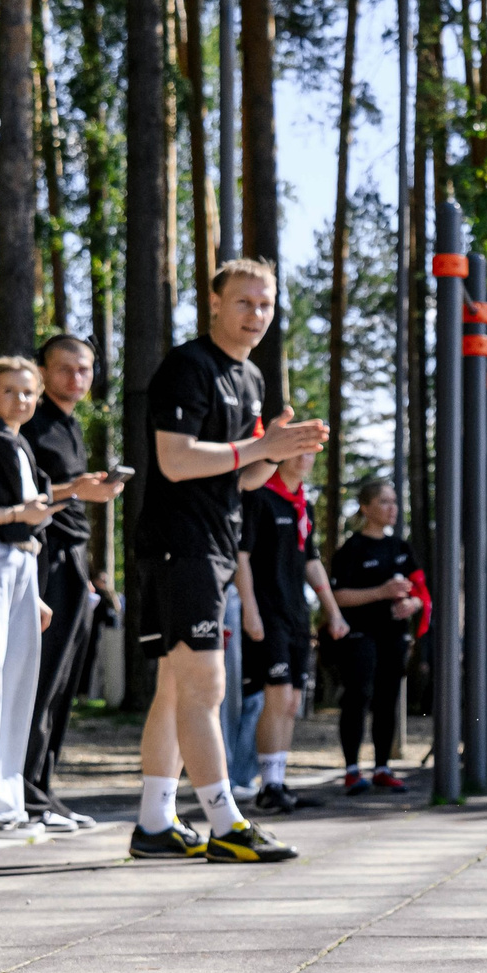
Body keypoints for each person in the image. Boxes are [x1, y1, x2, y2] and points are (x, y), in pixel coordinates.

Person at [130, 259, 327, 863]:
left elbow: (243, 478)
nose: (256, 316)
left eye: (265, 305)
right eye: (244, 303)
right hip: (179, 543)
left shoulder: (251, 380)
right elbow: (177, 461)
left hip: (215, 541)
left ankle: (154, 824)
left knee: (174, 687)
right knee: (206, 684)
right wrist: (260, 445)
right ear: (214, 304)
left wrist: (278, 454)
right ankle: (224, 822)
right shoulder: (187, 368)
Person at [21, 336, 125, 829]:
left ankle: (44, 789)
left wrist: (90, 491)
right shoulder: (29, 423)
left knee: (63, 684)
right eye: (64, 369)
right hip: (43, 560)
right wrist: (73, 490)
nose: (75, 379)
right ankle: (24, 795)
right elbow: (23, 493)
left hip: (74, 560)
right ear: (41, 370)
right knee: (39, 681)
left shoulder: (69, 424)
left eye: (83, 370)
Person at [235, 451, 347, 814]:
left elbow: (311, 561)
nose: (305, 458)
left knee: (293, 703)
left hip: (296, 615)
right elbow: (242, 556)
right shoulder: (259, 496)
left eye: (311, 452)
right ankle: (266, 786)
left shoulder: (303, 505)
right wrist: (249, 609)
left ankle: (278, 782)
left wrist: (333, 612)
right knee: (277, 698)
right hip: (268, 614)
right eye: (296, 451)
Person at [0, 358, 57, 833]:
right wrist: (14, 516)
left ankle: (6, 800)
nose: (21, 401)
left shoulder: (18, 444)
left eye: (29, 392)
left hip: (22, 566)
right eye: (10, 391)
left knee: (17, 686)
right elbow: (7, 515)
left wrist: (37, 594)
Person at [327, 475, 424, 794]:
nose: (392, 508)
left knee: (388, 699)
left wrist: (411, 604)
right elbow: (338, 596)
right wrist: (380, 592)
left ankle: (383, 767)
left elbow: (420, 592)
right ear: (366, 508)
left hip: (393, 635)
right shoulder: (352, 549)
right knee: (359, 695)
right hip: (359, 634)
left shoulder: (401, 547)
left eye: (395, 502)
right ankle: (352, 770)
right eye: (384, 501)